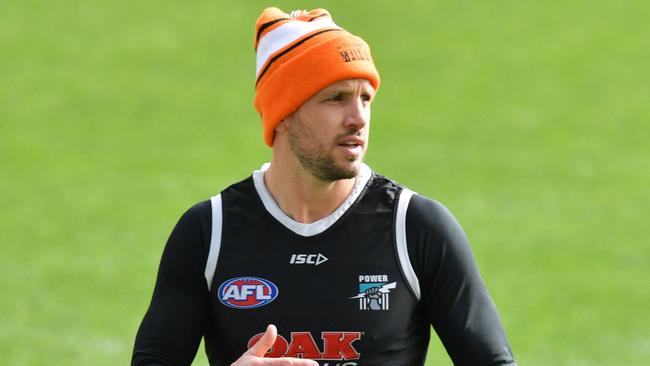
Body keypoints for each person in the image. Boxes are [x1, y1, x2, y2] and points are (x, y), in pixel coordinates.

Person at [132, 7, 516, 366]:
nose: (358, 118)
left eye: (365, 98)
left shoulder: (415, 227)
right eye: (336, 99)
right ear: (283, 114)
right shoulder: (209, 232)